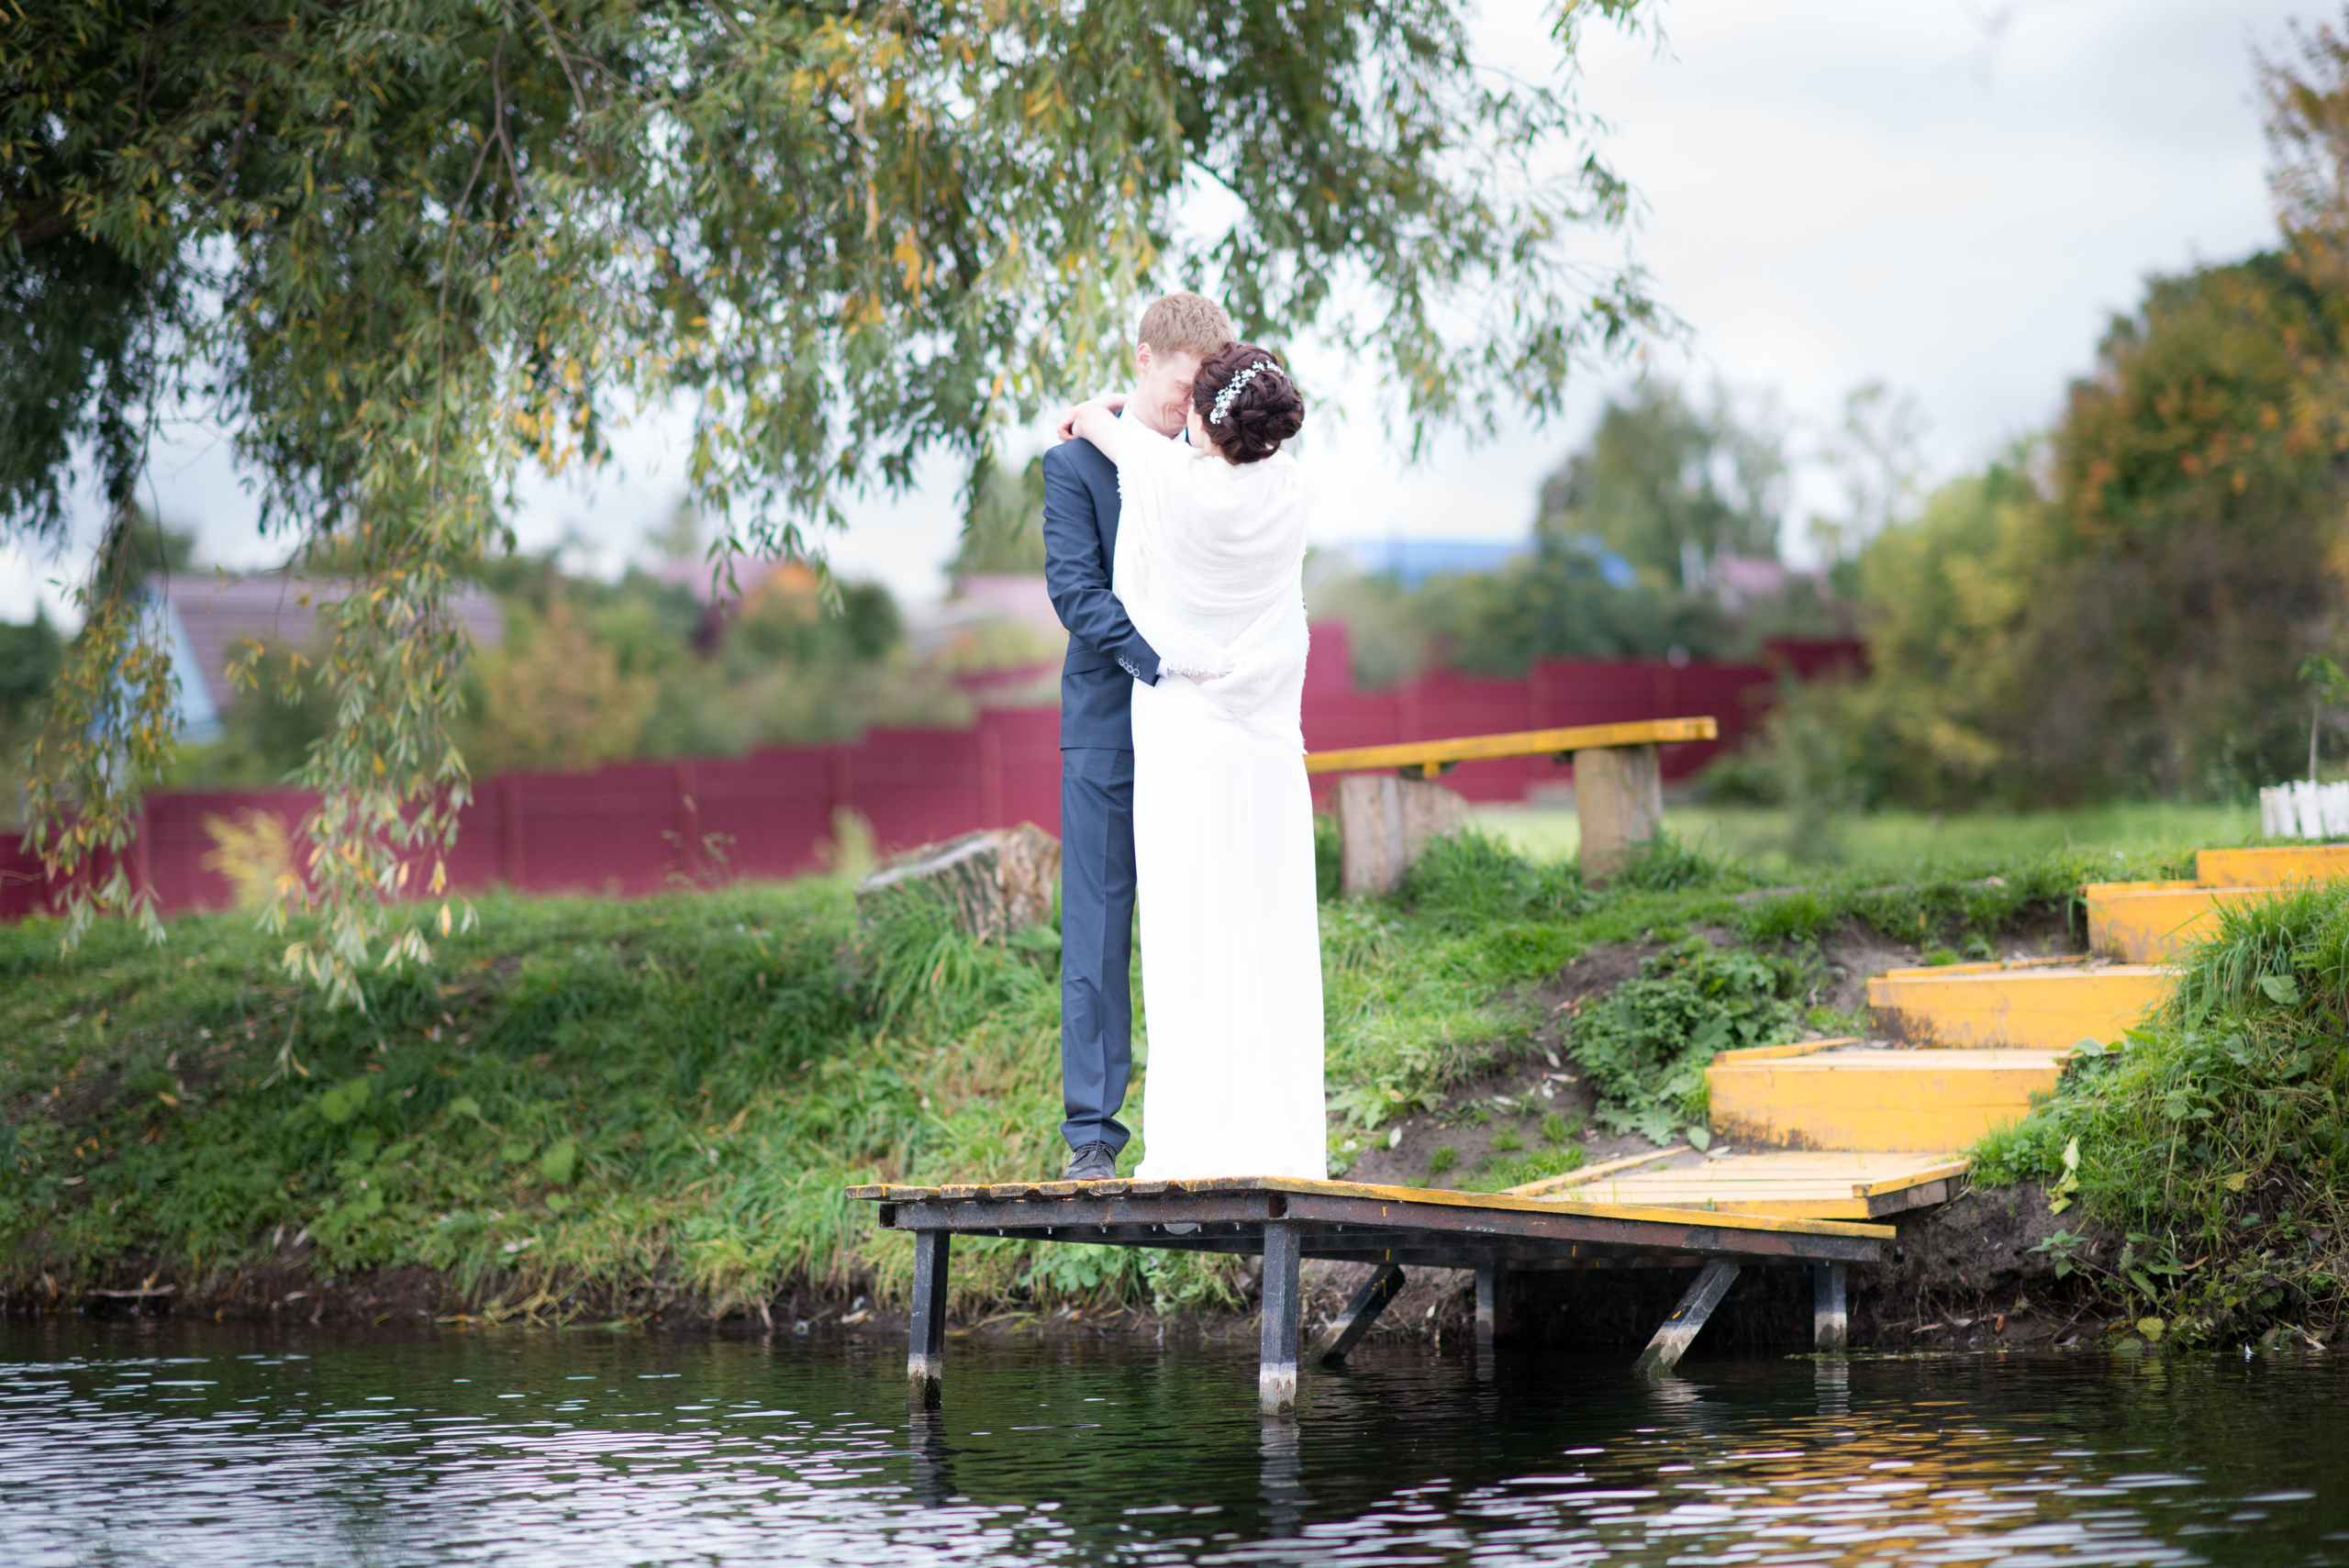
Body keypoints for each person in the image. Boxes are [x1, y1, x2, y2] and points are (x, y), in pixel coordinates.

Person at [1057, 343, 1325, 1180]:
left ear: (1210, 417)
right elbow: (1074, 585)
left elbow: (1102, 425)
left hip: (1187, 739)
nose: (1178, 412)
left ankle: (1195, 1144)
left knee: (1191, 941)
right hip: (1256, 748)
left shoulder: (1169, 479)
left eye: (1191, 399)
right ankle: (1121, 1134)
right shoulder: (1292, 484)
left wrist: (1096, 410)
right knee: (1263, 936)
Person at [1041, 293, 1237, 1182]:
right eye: (1180, 383)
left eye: (1205, 388)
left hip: (1204, 726)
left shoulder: (1215, 463)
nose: (1188, 403)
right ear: (1145, 356)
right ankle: (1092, 1133)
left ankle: (1203, 1121)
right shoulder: (1074, 464)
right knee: (1098, 922)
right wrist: (1158, 662)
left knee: (1200, 914)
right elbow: (1075, 596)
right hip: (1108, 728)